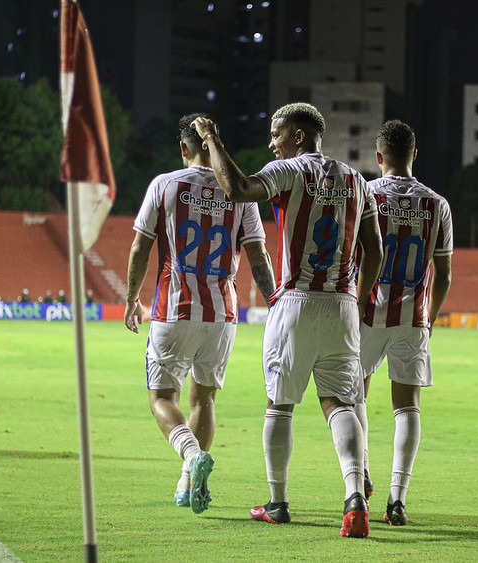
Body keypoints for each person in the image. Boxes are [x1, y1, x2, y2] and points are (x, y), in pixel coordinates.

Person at [191, 103, 383, 538]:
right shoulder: (357, 181)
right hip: (342, 304)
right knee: (340, 404)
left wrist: (212, 139)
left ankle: (277, 502)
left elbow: (238, 188)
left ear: (299, 135)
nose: (271, 143)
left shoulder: (291, 170)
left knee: (280, 405)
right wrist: (358, 295)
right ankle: (355, 499)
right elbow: (375, 250)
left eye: (277, 134)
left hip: (296, 299)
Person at [124, 113, 275, 515]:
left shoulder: (165, 185)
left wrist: (130, 299)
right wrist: (274, 301)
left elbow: (140, 247)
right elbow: (258, 256)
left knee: (161, 395)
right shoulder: (238, 194)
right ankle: (187, 482)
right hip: (222, 314)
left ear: (183, 148)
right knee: (203, 398)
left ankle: (190, 457)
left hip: (174, 307)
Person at [354, 120, 452, 527]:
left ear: (379, 157)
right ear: (415, 154)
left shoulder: (366, 194)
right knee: (407, 406)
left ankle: (359, 475)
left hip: (366, 312)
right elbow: (444, 273)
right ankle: (397, 499)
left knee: (352, 394)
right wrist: (428, 318)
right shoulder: (437, 204)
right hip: (413, 317)